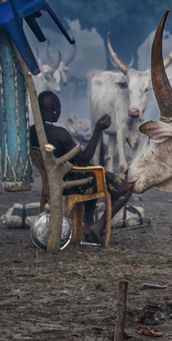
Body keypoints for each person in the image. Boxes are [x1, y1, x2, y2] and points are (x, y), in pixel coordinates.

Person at [28, 91, 131, 245]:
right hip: (69, 183)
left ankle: (89, 226)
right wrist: (98, 130)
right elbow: (83, 160)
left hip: (53, 180)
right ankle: (99, 226)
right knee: (125, 189)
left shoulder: (32, 132)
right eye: (59, 108)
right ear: (55, 109)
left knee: (93, 175)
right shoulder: (59, 133)